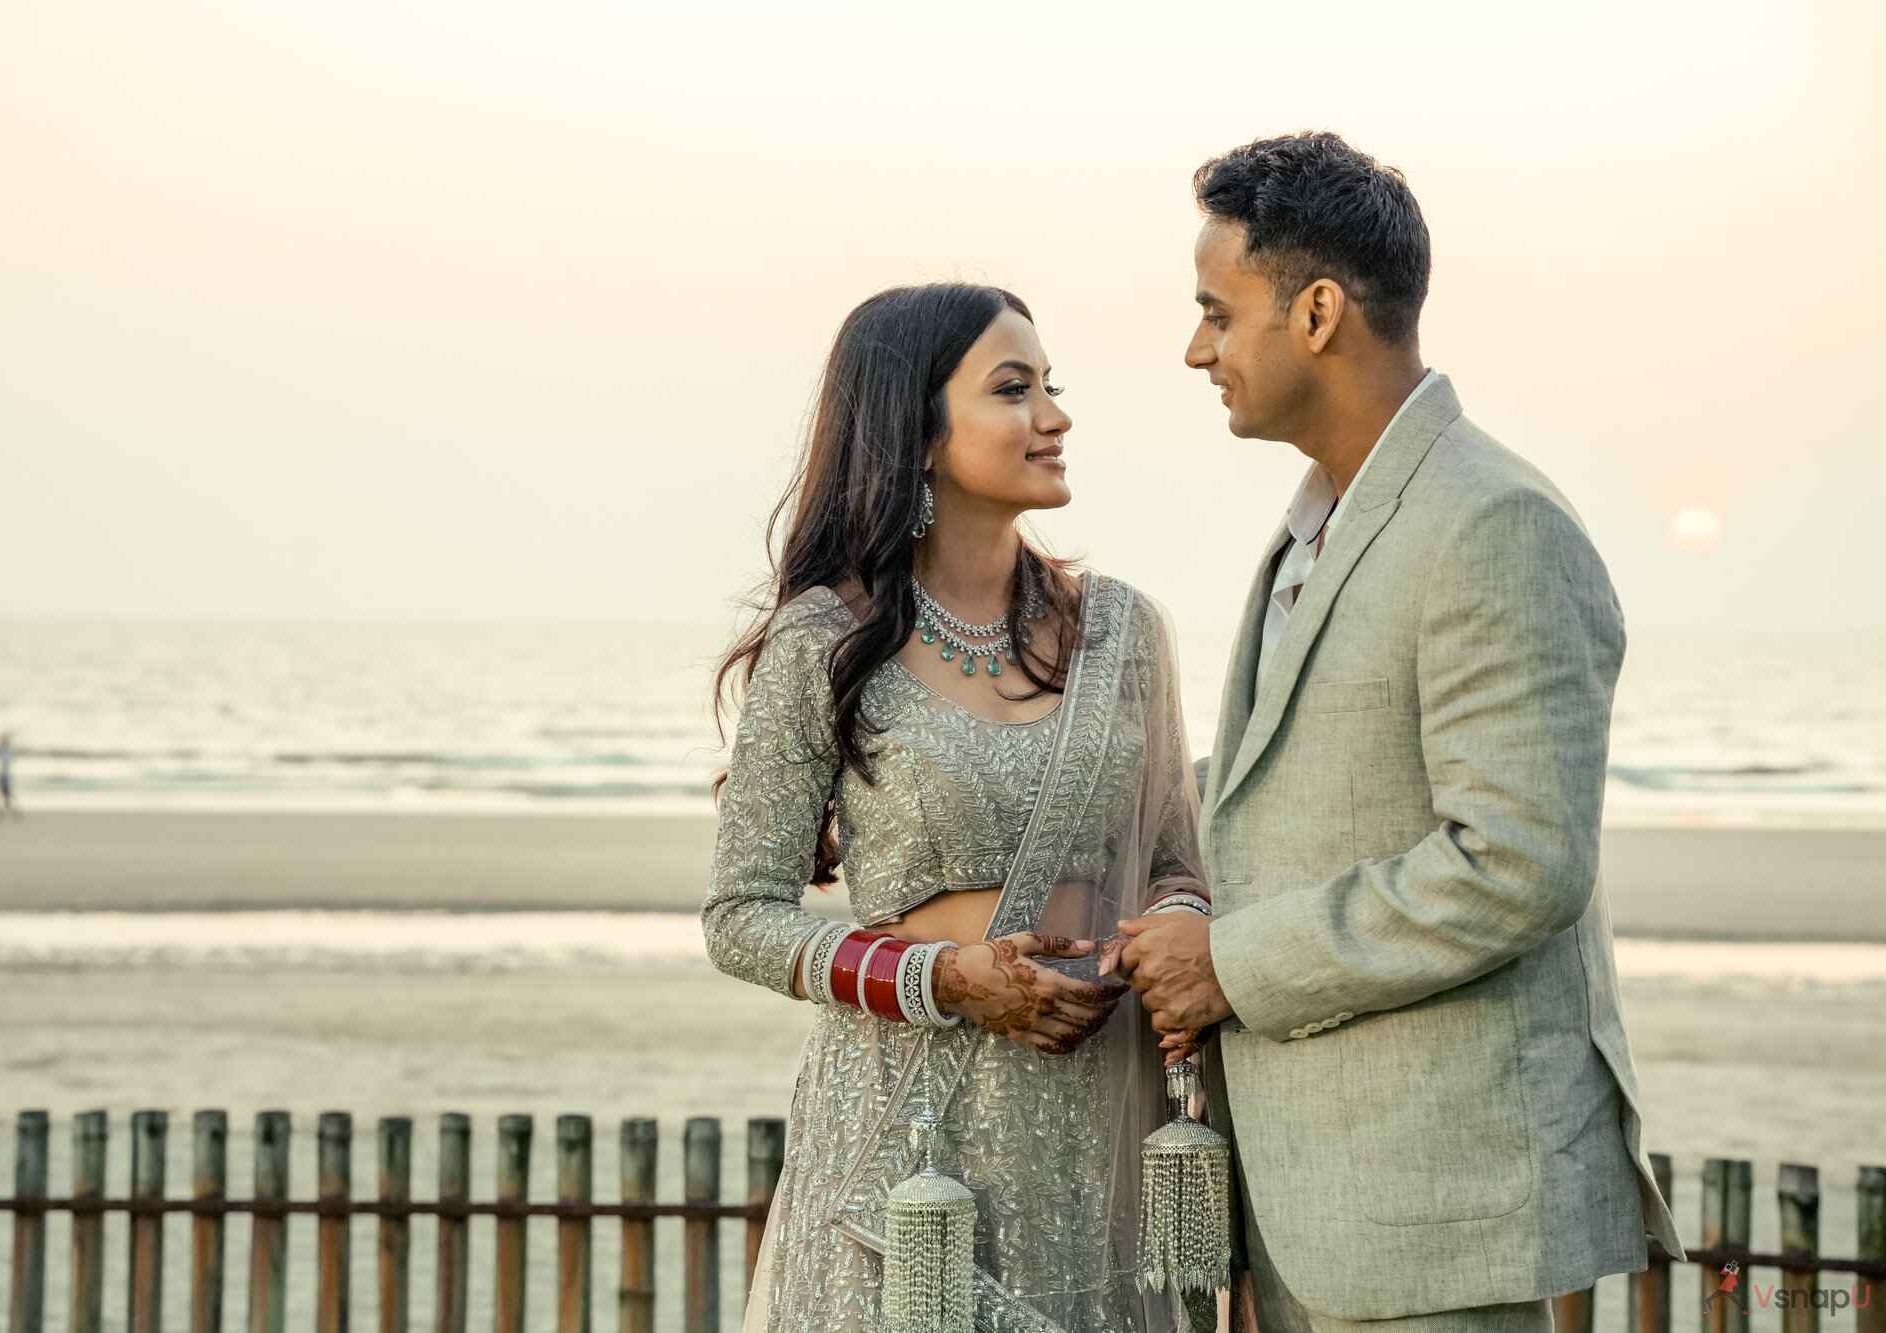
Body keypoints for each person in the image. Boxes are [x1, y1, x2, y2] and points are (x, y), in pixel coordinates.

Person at [1111, 132, 1686, 1333]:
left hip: (1433, 1212)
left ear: (1315, 311)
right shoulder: (1315, 523)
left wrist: (1231, 963)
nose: (1194, 347)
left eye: (1216, 311)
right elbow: (1289, 783)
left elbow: (1515, 862)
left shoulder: (1493, 524)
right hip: (1311, 1195)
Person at [703, 283, 1213, 1332]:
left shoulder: (1121, 634)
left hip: (1090, 1120)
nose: (1055, 418)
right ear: (917, 432)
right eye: (1012, 389)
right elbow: (740, 917)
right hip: (907, 1136)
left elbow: (1178, 865)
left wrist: (1172, 932)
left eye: (1049, 387)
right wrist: (941, 978)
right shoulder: (824, 643)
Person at [0, 733, 19, 819]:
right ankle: (7, 812)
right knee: (5, 795)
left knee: (6, 795)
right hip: (4, 775)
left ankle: (6, 812)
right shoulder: (5, 751)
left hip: (5, 775)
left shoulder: (6, 752)